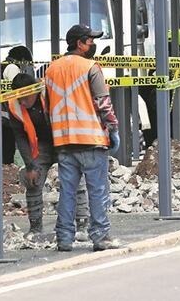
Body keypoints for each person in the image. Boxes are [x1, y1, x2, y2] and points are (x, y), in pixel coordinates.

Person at [45, 24, 122, 252]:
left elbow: (47, 105)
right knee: (97, 190)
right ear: (79, 43)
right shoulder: (91, 67)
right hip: (91, 140)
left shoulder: (51, 69)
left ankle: (64, 238)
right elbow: (103, 103)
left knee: (67, 191)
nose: (93, 45)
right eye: (90, 41)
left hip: (64, 141)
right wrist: (113, 128)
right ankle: (100, 237)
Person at [6, 72, 88, 238]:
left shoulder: (51, 93)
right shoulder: (14, 106)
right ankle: (35, 228)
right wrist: (30, 165)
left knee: (76, 181)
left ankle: (82, 225)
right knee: (33, 182)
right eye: (19, 98)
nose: (22, 102)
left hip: (63, 139)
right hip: (42, 145)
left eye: (25, 98)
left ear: (34, 91)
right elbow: (20, 138)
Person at [1, 45, 33, 166]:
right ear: (23, 59)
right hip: (7, 114)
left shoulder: (3, 65)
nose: (26, 66)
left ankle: (6, 169)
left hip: (0, 113)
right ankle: (8, 171)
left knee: (5, 145)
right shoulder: (12, 68)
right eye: (26, 63)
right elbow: (18, 89)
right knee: (8, 145)